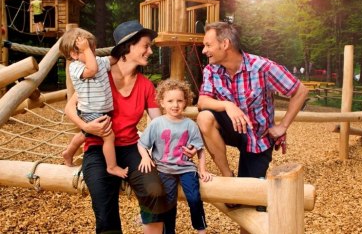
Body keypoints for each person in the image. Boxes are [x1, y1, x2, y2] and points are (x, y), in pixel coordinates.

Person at [65, 20, 195, 234]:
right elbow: (70, 108)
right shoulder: (98, 74)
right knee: (104, 207)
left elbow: (159, 124)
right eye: (146, 45)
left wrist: (181, 146)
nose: (150, 51)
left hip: (131, 148)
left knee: (155, 192)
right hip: (97, 148)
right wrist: (87, 126)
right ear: (128, 47)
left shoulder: (145, 84)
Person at [196, 22, 308, 233]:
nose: (204, 50)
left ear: (225, 44)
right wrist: (227, 105)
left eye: (208, 45)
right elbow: (202, 101)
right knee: (204, 118)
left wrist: (283, 126)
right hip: (233, 129)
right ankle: (227, 176)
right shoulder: (212, 69)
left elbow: (300, 91)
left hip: (259, 137)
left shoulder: (263, 67)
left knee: (250, 201)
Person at [138, 79, 212, 234]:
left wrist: (202, 169)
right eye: (170, 101)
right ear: (162, 103)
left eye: (179, 100)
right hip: (164, 169)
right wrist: (145, 157)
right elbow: (142, 144)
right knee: (169, 203)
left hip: (186, 168)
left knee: (194, 197)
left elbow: (200, 149)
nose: (175, 105)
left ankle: (201, 227)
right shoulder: (157, 123)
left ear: (186, 102)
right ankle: (169, 231)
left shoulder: (190, 125)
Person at [59, 28, 128, 178]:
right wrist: (86, 50)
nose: (93, 52)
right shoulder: (75, 67)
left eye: (93, 49)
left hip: (101, 109)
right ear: (74, 54)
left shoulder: (98, 61)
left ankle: (68, 152)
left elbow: (111, 59)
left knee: (86, 134)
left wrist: (123, 50)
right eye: (87, 50)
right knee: (109, 136)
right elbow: (92, 70)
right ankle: (112, 167)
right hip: (90, 111)